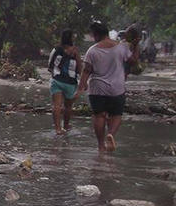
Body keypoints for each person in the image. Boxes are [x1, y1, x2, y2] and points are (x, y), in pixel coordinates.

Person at [76, 22, 140, 152]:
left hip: (97, 89)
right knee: (116, 115)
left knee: (99, 116)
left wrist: (81, 86)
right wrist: (136, 45)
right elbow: (134, 61)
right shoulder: (121, 48)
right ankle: (110, 134)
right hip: (117, 88)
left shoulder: (92, 50)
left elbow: (87, 70)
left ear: (97, 35)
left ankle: (100, 146)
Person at [48, 29, 82, 135]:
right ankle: (66, 126)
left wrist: (55, 74)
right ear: (71, 38)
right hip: (70, 83)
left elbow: (50, 66)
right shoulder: (75, 51)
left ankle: (58, 129)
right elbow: (80, 69)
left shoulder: (56, 49)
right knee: (68, 106)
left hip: (57, 80)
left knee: (56, 106)